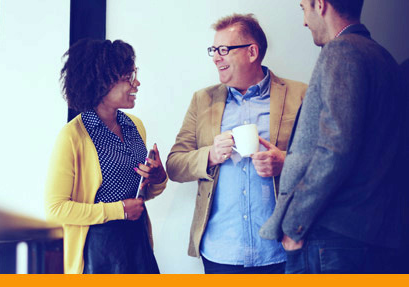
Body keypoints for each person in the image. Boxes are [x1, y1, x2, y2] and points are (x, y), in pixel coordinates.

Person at [260, 0, 405, 274]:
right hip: (379, 238)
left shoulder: (341, 51)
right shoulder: (384, 58)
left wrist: (295, 225)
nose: (304, 20)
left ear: (320, 4)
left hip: (333, 242)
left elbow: (335, 148)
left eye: (303, 7)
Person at [166, 14, 307, 274]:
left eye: (223, 49)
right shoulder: (202, 100)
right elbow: (174, 165)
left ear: (252, 52)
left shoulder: (300, 94)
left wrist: (285, 162)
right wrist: (209, 155)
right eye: (213, 50)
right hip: (221, 251)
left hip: (280, 249)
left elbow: (324, 162)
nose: (216, 57)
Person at [45, 38, 167, 274]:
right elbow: (55, 209)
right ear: (101, 84)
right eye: (127, 78)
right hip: (98, 249)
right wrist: (118, 210)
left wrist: (158, 177)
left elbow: (141, 195)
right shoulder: (72, 137)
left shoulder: (135, 126)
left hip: (137, 241)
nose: (136, 83)